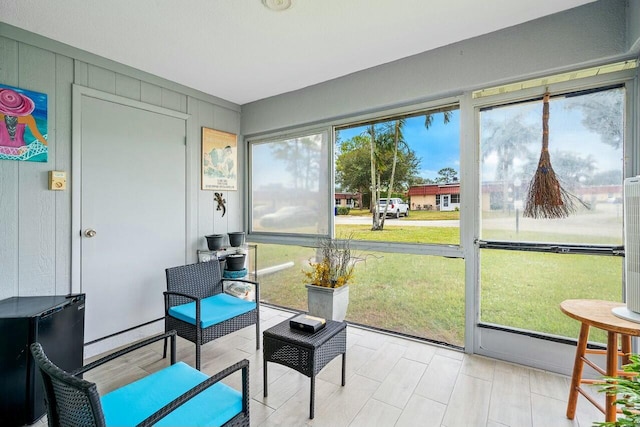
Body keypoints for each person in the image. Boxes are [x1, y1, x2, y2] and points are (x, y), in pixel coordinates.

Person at [0, 88, 47, 155]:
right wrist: (46, 144)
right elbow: (36, 134)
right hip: (20, 150)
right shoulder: (27, 118)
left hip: (1, 149)